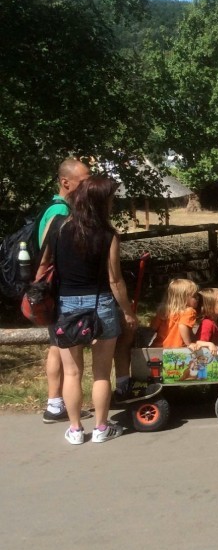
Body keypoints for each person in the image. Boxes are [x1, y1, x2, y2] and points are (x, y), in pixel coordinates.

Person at [37, 175, 138, 444]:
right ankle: (102, 428)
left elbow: (44, 265)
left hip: (65, 305)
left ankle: (75, 429)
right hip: (100, 304)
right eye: (111, 198)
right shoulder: (108, 235)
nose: (114, 202)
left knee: (72, 372)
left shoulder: (57, 227)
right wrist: (127, 311)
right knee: (102, 372)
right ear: (100, 202)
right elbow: (115, 280)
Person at [40, 158, 92, 424]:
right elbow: (48, 255)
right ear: (66, 182)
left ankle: (55, 403)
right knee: (63, 351)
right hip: (59, 290)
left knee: (56, 347)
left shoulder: (55, 208)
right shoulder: (59, 212)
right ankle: (58, 404)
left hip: (54, 290)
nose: (88, 185)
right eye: (83, 181)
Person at [150, 278, 217, 353]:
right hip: (176, 350)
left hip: (158, 348)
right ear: (183, 298)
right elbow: (182, 326)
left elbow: (153, 328)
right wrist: (189, 343)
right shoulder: (189, 311)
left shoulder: (163, 311)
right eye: (194, 296)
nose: (197, 298)